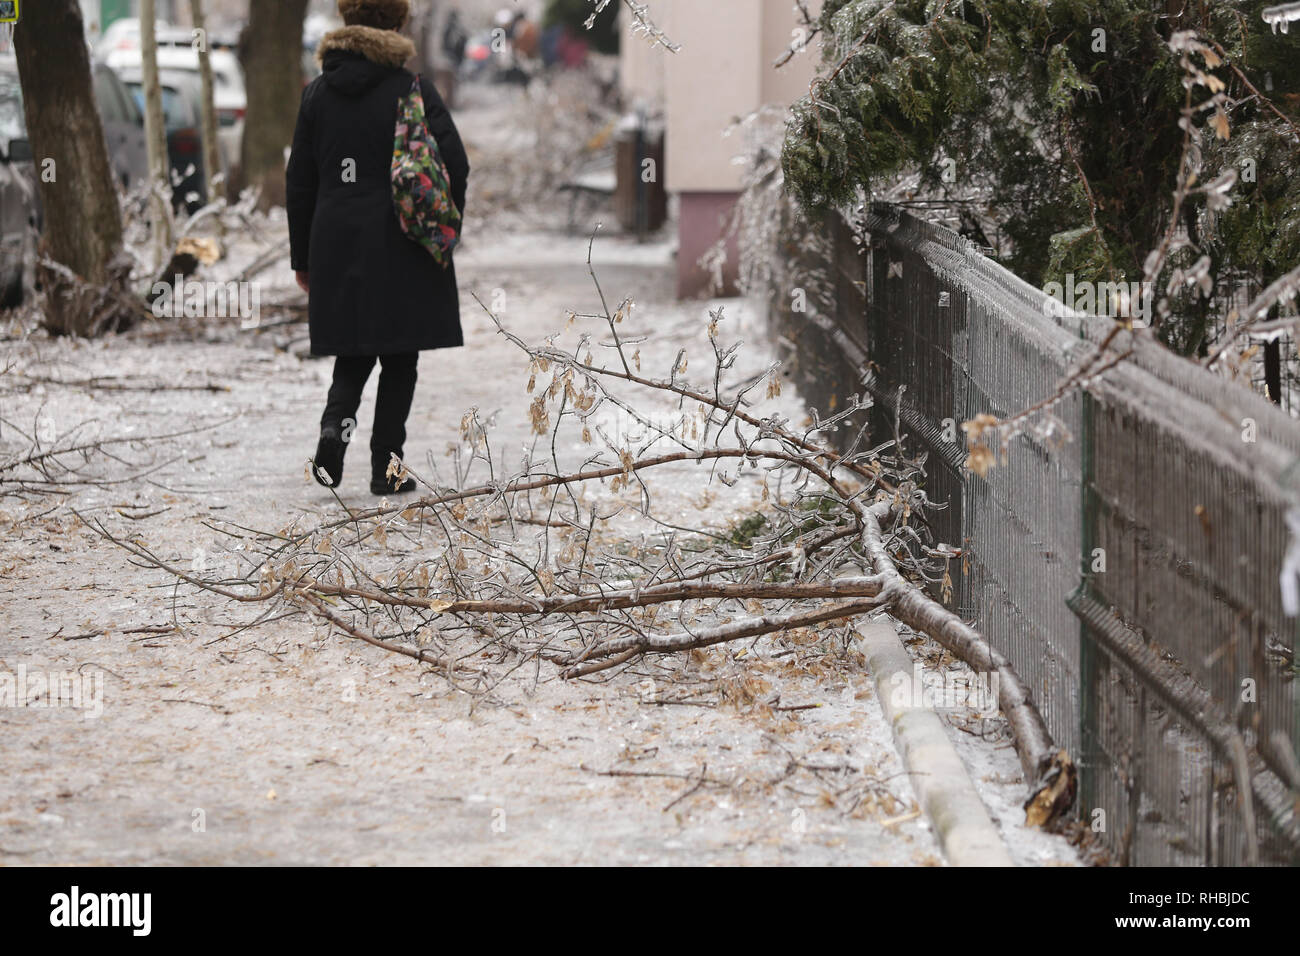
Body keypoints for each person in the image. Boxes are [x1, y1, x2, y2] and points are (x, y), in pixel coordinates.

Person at [286, 0, 469, 496]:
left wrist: (302, 258)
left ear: (348, 23)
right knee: (399, 359)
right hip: (402, 241)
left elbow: (299, 181)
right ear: (396, 26)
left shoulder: (317, 95)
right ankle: (386, 470)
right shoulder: (412, 90)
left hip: (336, 241)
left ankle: (334, 430)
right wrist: (444, 225)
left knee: (354, 350)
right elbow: (455, 162)